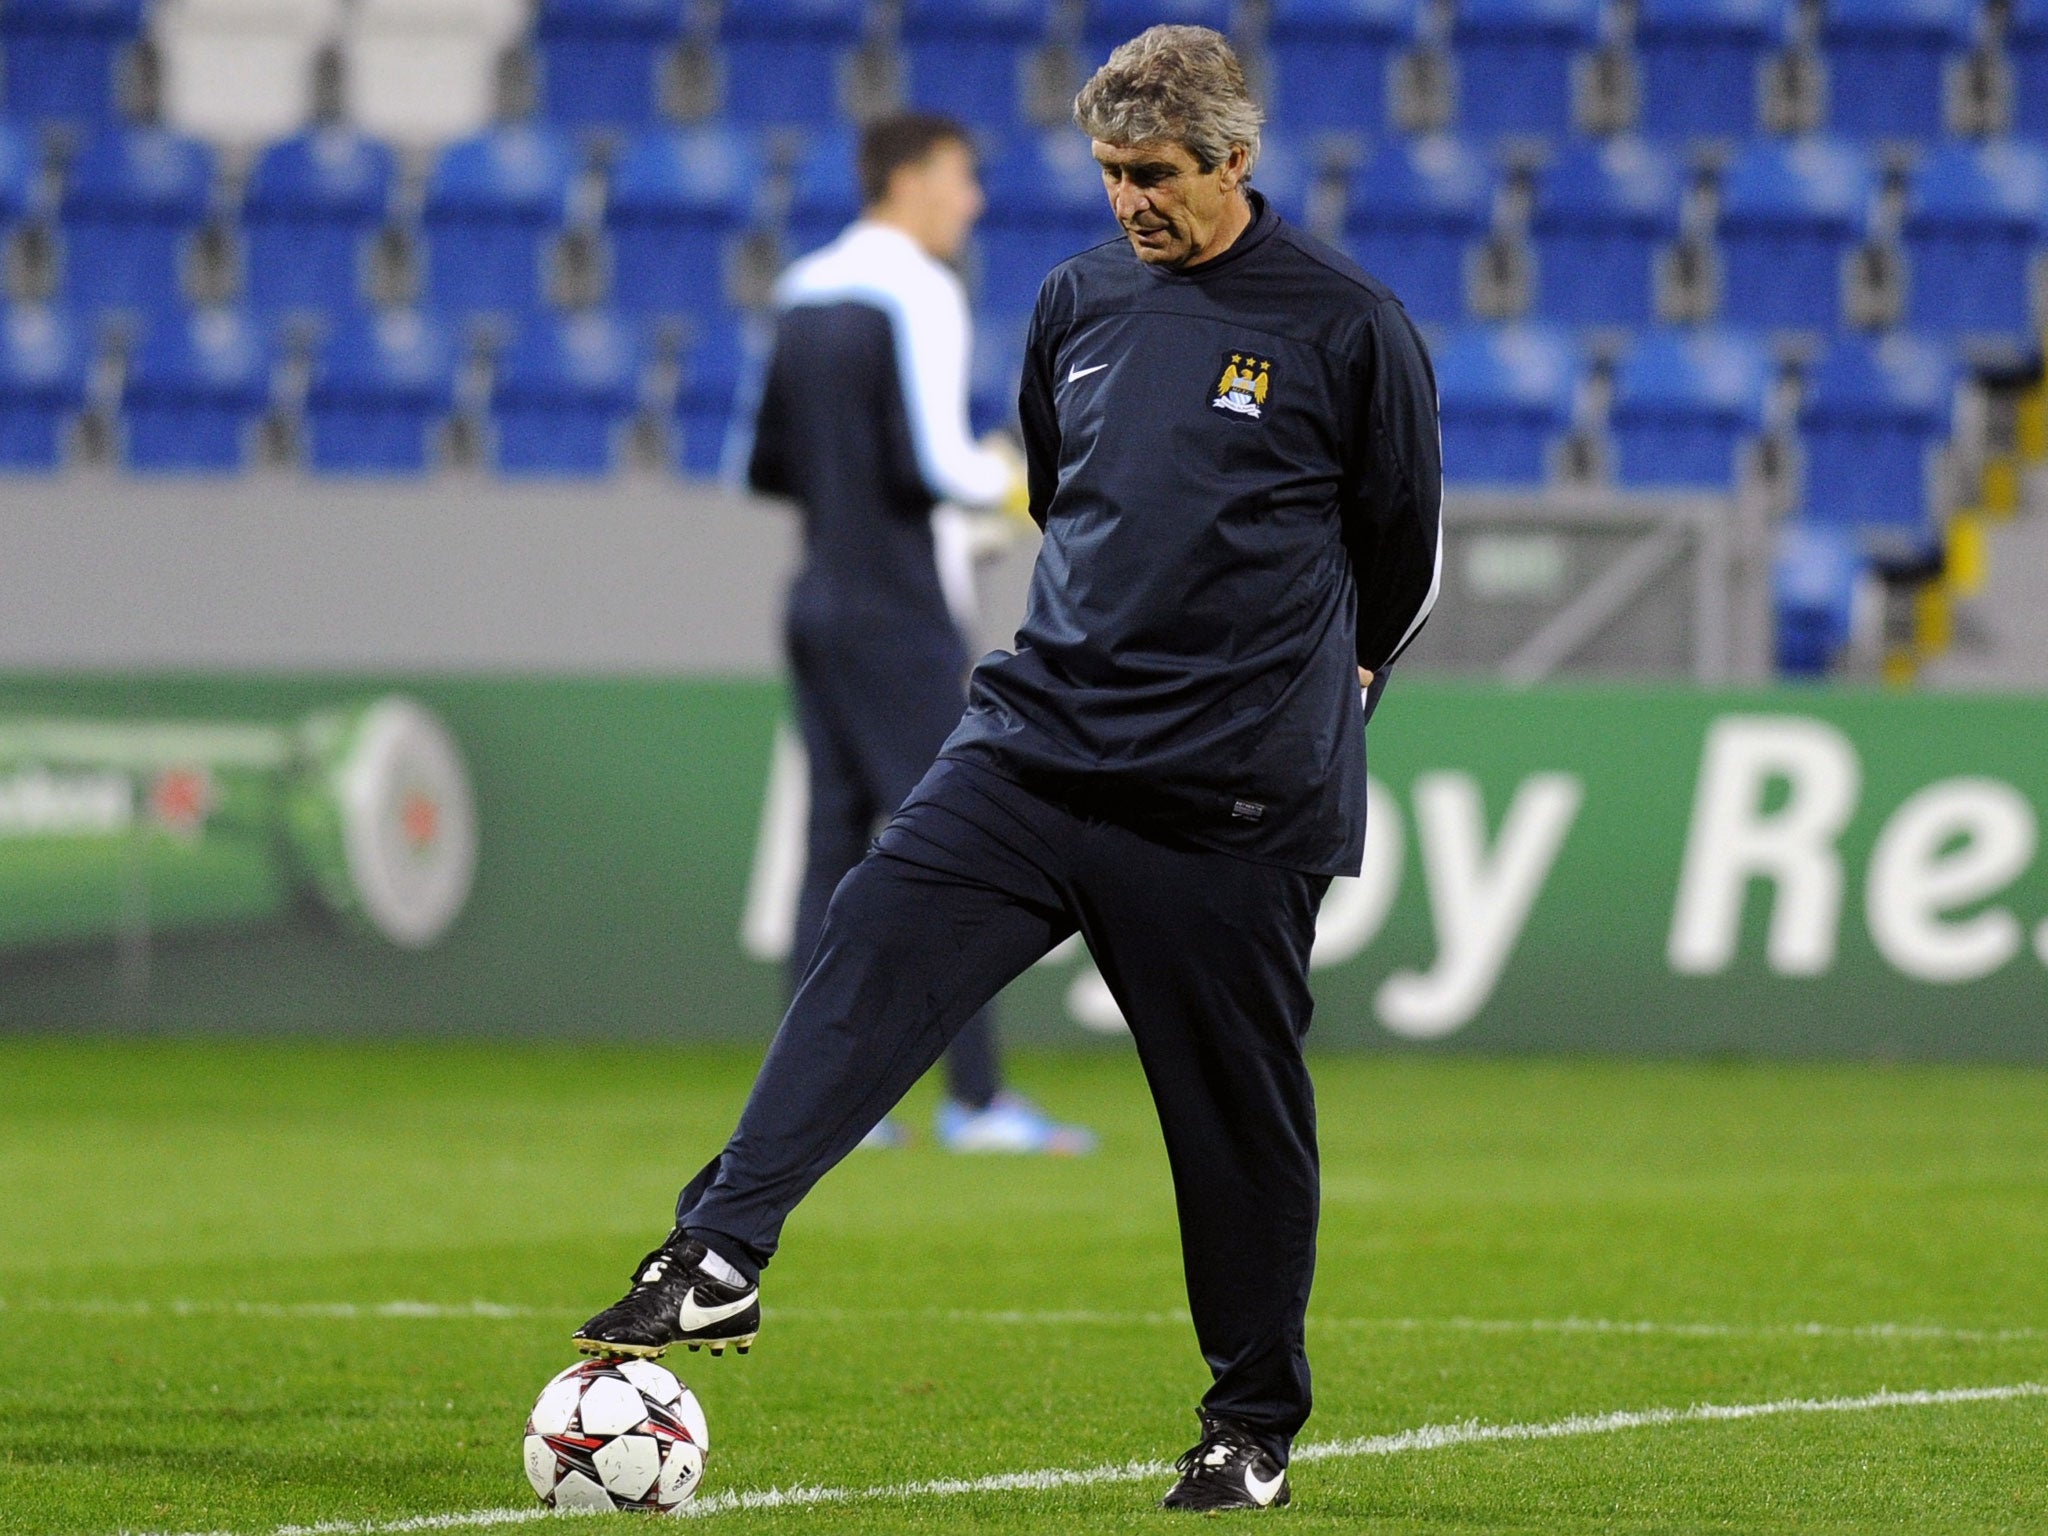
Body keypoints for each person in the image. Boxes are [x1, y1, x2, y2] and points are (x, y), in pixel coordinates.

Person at [576, 25, 1442, 1512]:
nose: (1129, 202)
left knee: (1232, 1121)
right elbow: (1063, 489)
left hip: (1226, 802)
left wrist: (1345, 679)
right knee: (873, 934)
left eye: (1155, 174)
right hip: (1036, 745)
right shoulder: (1078, 301)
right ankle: (718, 1252)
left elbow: (1402, 557)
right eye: (1110, 173)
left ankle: (1250, 1429)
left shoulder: (1346, 325)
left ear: (1235, 161)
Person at [748, 111, 1093, 1155]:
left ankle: (823, 1109)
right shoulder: (920, 290)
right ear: (905, 181)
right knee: (954, 853)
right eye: (958, 178)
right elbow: (944, 466)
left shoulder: (801, 287)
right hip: (897, 606)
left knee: (829, 855)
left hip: (815, 594)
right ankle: (977, 1101)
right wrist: (1032, 483)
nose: (971, 202)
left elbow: (766, 463)